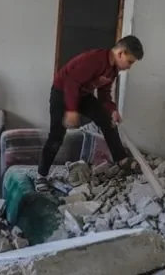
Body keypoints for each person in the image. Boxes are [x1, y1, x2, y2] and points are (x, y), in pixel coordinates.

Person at [35, 36, 144, 192]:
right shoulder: (95, 59)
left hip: (83, 95)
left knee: (107, 121)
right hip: (63, 92)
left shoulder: (113, 70)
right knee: (57, 136)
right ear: (121, 53)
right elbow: (71, 82)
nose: (129, 67)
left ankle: (121, 159)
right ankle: (41, 176)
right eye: (130, 62)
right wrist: (71, 110)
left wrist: (112, 110)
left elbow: (104, 93)